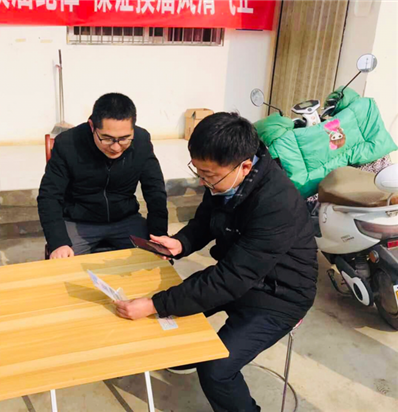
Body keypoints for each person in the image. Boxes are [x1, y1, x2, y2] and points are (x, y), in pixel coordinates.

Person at [115, 112, 318, 412]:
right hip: (238, 274)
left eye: (208, 175)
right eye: (198, 171)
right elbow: (205, 221)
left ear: (245, 166)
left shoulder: (278, 204)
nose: (202, 180)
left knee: (216, 370)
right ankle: (186, 355)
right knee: (167, 318)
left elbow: (228, 280)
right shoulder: (226, 179)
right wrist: (182, 243)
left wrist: (155, 303)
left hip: (279, 296)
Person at [38, 93, 168, 259]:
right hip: (79, 222)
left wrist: (159, 234)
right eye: (107, 139)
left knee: (156, 261)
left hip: (126, 220)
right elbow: (49, 196)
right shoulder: (68, 144)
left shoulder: (141, 141)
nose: (116, 147)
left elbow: (155, 190)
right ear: (92, 126)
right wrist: (58, 242)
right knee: (63, 267)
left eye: (124, 139)